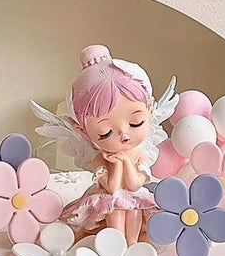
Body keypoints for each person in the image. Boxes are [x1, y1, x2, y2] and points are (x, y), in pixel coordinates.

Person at [31, 44, 177, 245]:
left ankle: (132, 243)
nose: (124, 134)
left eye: (136, 122)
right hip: (109, 201)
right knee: (115, 206)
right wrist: (117, 164)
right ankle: (115, 243)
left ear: (150, 109)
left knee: (133, 206)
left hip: (135, 200)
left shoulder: (138, 155)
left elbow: (135, 185)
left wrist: (125, 161)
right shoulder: (101, 159)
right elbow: (112, 188)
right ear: (82, 131)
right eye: (105, 132)